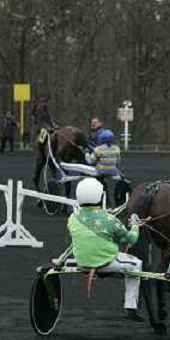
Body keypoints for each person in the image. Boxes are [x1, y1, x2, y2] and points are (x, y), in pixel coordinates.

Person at [68, 178, 144, 321]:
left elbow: (90, 225)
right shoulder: (110, 220)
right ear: (99, 196)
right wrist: (135, 224)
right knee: (136, 264)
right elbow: (131, 239)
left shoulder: (72, 217)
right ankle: (131, 306)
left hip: (82, 262)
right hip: (106, 262)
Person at [86, 129, 122, 205]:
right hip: (113, 172)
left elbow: (90, 161)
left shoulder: (98, 149)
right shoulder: (117, 149)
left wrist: (86, 154)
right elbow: (118, 162)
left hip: (101, 173)